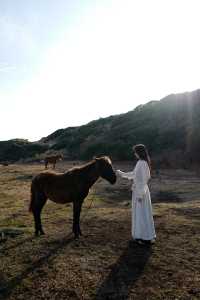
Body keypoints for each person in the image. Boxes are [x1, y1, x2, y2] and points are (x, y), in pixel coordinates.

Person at [116, 144, 156, 245]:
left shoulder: (141, 163)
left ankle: (142, 237)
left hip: (140, 192)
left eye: (135, 152)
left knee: (141, 214)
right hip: (141, 191)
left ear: (139, 153)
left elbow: (143, 179)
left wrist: (139, 194)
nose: (134, 154)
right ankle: (146, 236)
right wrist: (122, 173)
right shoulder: (143, 162)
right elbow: (135, 174)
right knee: (144, 214)